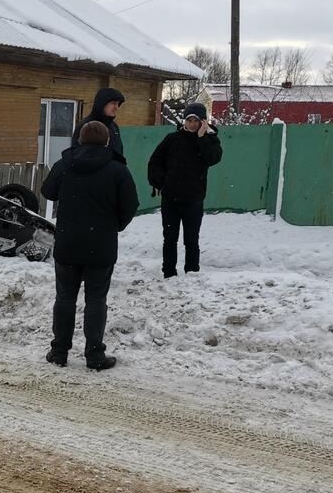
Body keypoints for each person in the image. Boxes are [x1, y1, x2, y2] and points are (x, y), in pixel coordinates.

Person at [41, 120, 139, 371]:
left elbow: (48, 191)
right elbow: (130, 205)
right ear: (107, 141)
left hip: (68, 243)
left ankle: (59, 351)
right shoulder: (117, 170)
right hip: (101, 244)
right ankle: (95, 355)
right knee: (96, 299)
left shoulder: (65, 164)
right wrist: (114, 225)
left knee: (64, 298)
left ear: (80, 140)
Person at [146, 102, 224, 278]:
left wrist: (202, 137)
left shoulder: (210, 139)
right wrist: (160, 182)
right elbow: (155, 161)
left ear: (203, 121)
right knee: (170, 238)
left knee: (191, 239)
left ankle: (192, 272)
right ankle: (169, 272)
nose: (192, 124)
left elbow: (212, 158)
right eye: (189, 120)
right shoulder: (172, 139)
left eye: (196, 120)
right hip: (170, 198)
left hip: (194, 198)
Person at [71, 88, 126, 155]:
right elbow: (77, 155)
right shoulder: (86, 126)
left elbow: (119, 151)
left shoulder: (114, 126)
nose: (116, 108)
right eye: (113, 103)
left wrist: (119, 165)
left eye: (118, 104)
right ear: (102, 103)